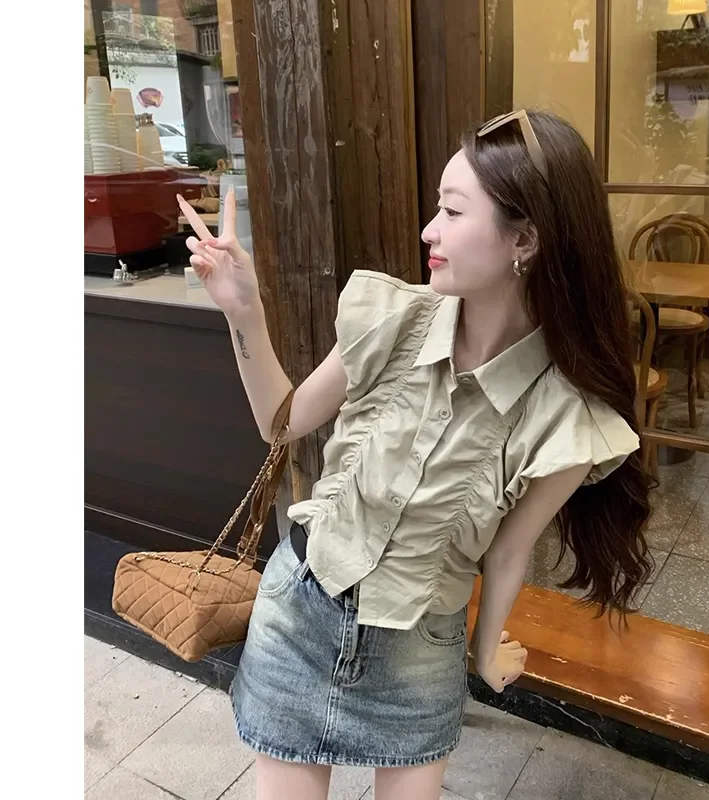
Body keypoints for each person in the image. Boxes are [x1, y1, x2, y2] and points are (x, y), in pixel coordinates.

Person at [177, 108, 653, 800]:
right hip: (297, 617)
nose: (429, 230)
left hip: (417, 659)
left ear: (525, 238)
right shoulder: (392, 318)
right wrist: (242, 311)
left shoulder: (567, 416)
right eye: (438, 207)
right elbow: (284, 424)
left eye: (453, 212)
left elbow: (509, 551)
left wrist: (485, 652)